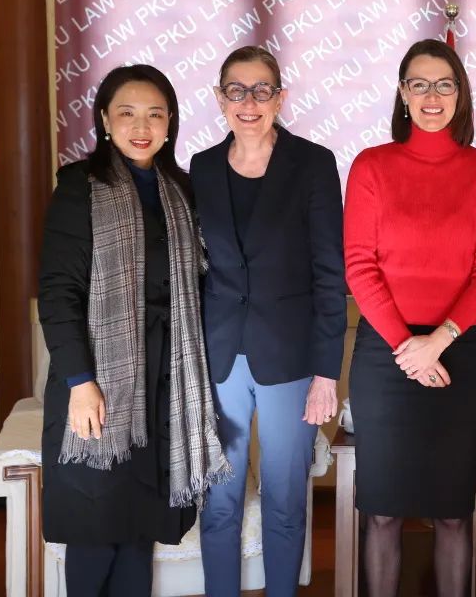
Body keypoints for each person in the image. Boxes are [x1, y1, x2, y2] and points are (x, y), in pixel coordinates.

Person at [39, 64, 230, 596]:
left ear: (170, 123)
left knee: (138, 531)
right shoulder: (80, 186)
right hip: (100, 378)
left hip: (165, 382)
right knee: (96, 528)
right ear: (104, 120)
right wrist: (80, 382)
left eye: (155, 114)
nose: (141, 127)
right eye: (126, 113)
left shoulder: (181, 191)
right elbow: (58, 292)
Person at [344, 38, 476, 597]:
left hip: (459, 353)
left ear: (460, 93)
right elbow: (359, 267)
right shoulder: (372, 165)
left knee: (452, 513)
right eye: (419, 84)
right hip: (384, 357)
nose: (431, 96)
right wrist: (408, 348)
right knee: (382, 512)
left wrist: (438, 341)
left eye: (444, 84)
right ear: (402, 93)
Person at [192, 45, 346, 596]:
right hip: (219, 357)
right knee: (219, 499)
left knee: (284, 498)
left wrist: (326, 374)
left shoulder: (313, 164)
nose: (249, 102)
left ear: (280, 98)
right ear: (220, 99)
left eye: (262, 90)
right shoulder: (201, 168)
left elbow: (330, 274)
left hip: (291, 359)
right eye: (237, 90)